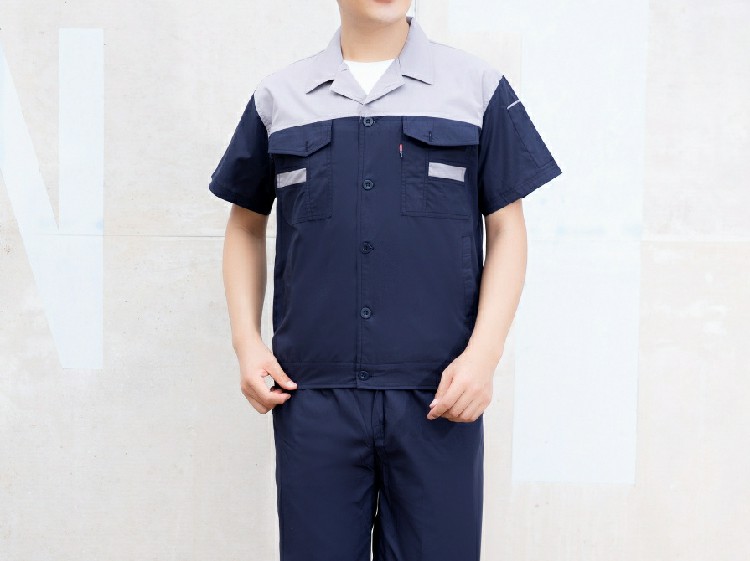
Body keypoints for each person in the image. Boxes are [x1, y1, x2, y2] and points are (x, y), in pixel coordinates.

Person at [208, 1, 562, 559]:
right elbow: (246, 225)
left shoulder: (476, 88)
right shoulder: (280, 96)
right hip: (313, 395)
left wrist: (484, 354)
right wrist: (246, 342)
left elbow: (507, 228)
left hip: (440, 393)